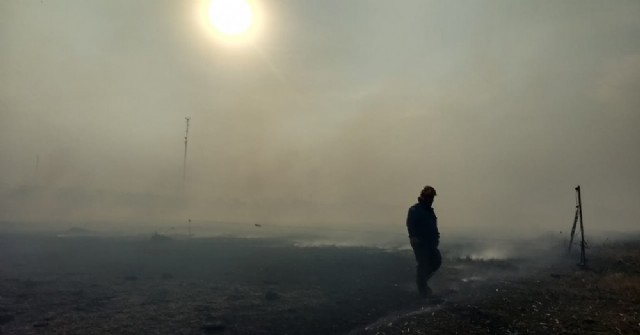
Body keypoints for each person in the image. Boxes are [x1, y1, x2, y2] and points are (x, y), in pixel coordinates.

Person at [406, 185, 441, 297]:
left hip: (430, 242)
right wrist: (413, 237)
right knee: (423, 264)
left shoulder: (429, 211)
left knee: (436, 261)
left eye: (432, 198)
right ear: (424, 197)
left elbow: (433, 225)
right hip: (420, 242)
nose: (431, 200)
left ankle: (422, 282)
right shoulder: (415, 210)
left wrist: (436, 237)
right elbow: (410, 223)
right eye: (429, 197)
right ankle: (423, 290)